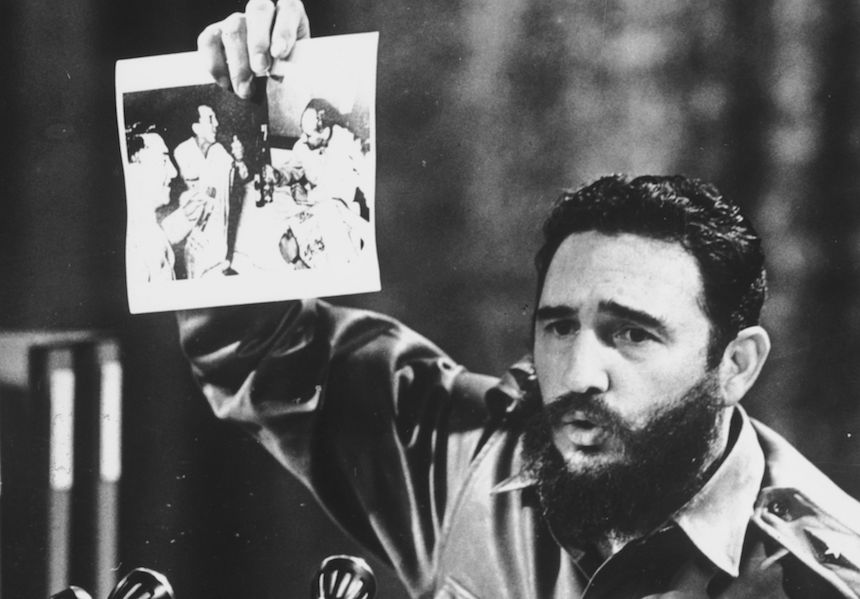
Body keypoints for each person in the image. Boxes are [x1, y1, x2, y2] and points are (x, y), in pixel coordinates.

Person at [180, 2, 860, 597]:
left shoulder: (824, 581)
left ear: (737, 364)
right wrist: (243, 102)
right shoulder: (480, 457)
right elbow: (261, 350)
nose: (577, 374)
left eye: (632, 334)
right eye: (560, 327)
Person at [124, 122, 206, 285]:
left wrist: (185, 216)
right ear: (134, 169)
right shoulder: (133, 255)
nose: (174, 172)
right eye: (163, 161)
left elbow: (153, 240)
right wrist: (197, 275)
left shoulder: (138, 222)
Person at [173, 104, 249, 278]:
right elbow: (197, 197)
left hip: (219, 235)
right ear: (196, 128)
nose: (217, 123)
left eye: (215, 118)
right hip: (194, 237)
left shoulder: (219, 151)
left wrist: (239, 160)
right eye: (210, 119)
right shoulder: (182, 153)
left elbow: (242, 177)